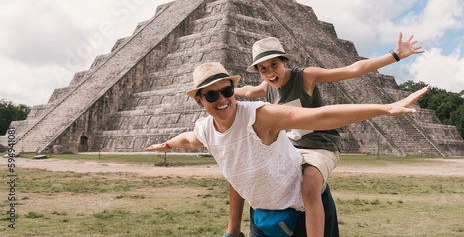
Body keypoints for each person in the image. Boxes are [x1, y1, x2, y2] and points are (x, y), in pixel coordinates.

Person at [146, 62, 429, 237]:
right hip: (263, 217)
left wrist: (384, 108)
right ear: (199, 102)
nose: (222, 99)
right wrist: (168, 144)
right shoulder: (206, 128)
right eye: (211, 95)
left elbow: (321, 117)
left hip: (302, 212)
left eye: (227, 91)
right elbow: (190, 139)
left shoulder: (261, 115)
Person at [234, 34, 424, 236]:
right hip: (291, 147)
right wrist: (226, 91)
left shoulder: (304, 76)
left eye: (274, 65)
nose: (270, 73)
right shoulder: (267, 88)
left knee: (309, 185)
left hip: (319, 146)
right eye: (263, 69)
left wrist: (394, 55)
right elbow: (247, 91)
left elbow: (352, 70)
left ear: (284, 61)